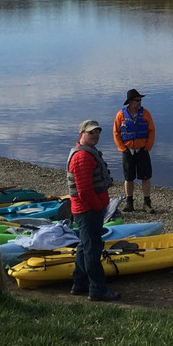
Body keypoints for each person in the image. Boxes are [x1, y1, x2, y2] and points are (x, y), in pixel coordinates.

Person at [67, 119, 119, 301]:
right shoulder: (82, 157)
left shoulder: (88, 153)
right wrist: (98, 207)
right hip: (88, 211)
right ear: (81, 134)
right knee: (92, 250)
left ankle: (79, 284)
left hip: (89, 210)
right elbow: (85, 191)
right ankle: (97, 289)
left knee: (84, 246)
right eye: (91, 133)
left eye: (97, 132)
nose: (95, 135)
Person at [113, 88, 156, 213]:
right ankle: (129, 202)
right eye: (137, 100)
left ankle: (147, 203)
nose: (139, 102)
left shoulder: (146, 114)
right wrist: (123, 149)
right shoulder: (120, 115)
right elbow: (116, 133)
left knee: (146, 177)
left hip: (142, 150)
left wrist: (147, 147)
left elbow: (151, 131)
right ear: (130, 102)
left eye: (140, 100)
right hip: (128, 151)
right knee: (129, 178)